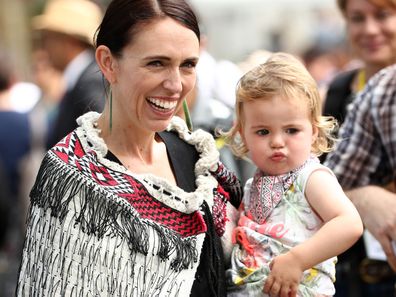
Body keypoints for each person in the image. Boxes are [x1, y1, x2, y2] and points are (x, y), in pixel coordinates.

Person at [16, 0, 242, 296]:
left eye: (188, 65)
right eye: (156, 63)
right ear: (108, 62)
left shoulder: (196, 159)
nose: (176, 85)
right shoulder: (70, 178)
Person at [222, 52, 363, 297]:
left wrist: (297, 260)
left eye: (291, 130)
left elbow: (349, 224)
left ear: (314, 133)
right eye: (263, 132)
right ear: (242, 135)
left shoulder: (312, 177)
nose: (277, 141)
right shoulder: (251, 184)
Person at [322, 1, 396, 295]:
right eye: (357, 18)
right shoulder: (337, 92)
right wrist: (365, 198)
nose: (369, 30)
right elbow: (316, 179)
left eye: (383, 15)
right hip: (355, 267)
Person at [31, 0, 106, 149]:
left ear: (68, 40)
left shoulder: (90, 82)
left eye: (47, 38)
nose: (44, 48)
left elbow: (102, 142)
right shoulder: (83, 78)